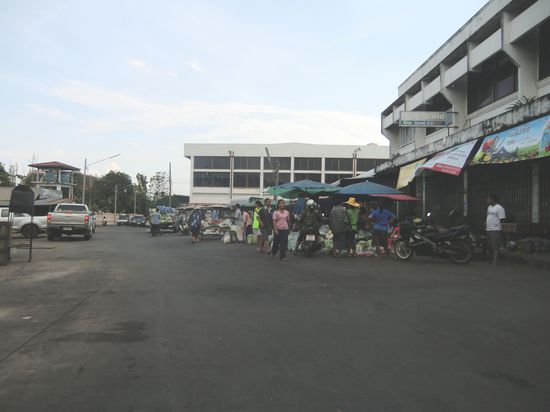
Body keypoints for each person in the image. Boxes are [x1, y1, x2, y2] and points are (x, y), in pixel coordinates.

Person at [486, 194, 506, 266]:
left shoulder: (499, 208)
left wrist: (502, 231)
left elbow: (502, 220)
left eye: (488, 199)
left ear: (492, 199)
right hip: (488, 229)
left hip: (496, 230)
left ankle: (494, 262)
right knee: (490, 246)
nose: (487, 200)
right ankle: (493, 259)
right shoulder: (489, 207)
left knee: (495, 246)